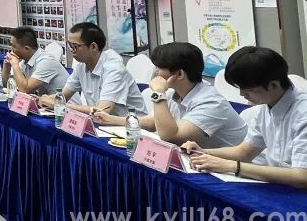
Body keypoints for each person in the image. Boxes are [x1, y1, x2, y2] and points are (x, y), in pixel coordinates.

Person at [184, 47, 307, 188]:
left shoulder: (302, 113)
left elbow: (302, 176)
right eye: (239, 88)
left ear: (274, 84)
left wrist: (232, 166)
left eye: (248, 89)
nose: (242, 95)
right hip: (283, 187)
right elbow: (244, 152)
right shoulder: (265, 107)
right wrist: (203, 152)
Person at [93, 42, 245, 148]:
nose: (155, 73)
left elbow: (170, 136)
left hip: (238, 171)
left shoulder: (210, 102)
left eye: (159, 68)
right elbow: (152, 122)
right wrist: (111, 119)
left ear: (179, 74)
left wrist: (158, 94)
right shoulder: (174, 91)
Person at [38, 23, 144, 116]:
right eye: (69, 45)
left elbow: (102, 111)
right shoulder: (81, 66)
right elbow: (63, 96)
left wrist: (60, 105)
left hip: (131, 127)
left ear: (93, 47)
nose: (71, 50)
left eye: (75, 46)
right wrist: (42, 99)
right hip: (103, 125)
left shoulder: (114, 69)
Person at [2, 27, 68, 96]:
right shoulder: (25, 62)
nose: (11, 50)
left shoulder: (46, 61)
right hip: (47, 101)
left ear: (26, 48)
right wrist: (7, 66)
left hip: (63, 102)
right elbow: (7, 86)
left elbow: (25, 90)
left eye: (13, 46)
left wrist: (15, 65)